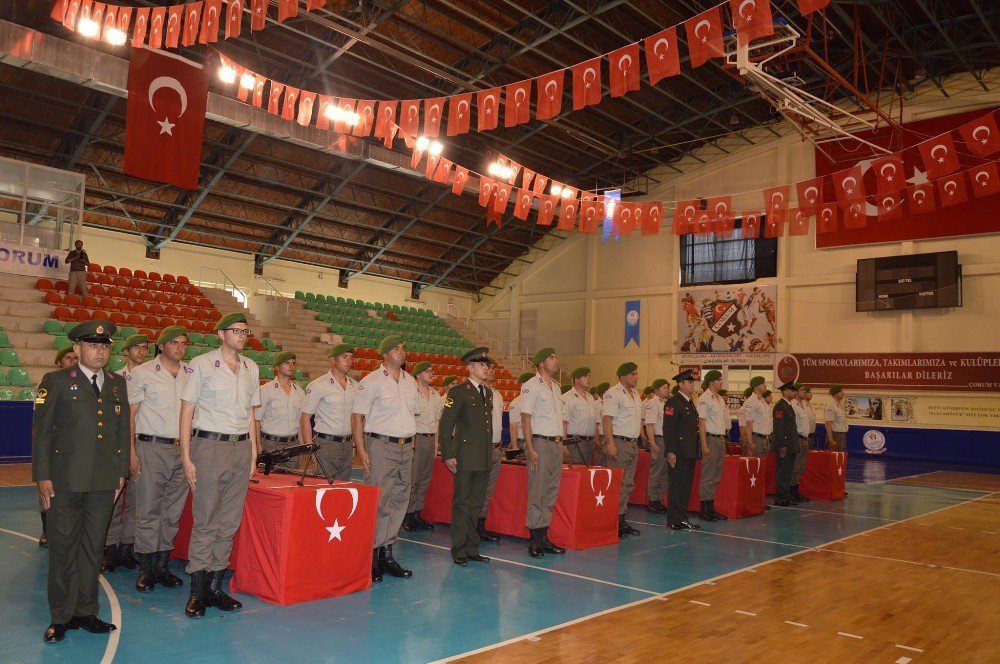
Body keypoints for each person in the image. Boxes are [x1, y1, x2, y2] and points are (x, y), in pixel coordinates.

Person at [32, 320, 129, 643]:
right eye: (92, 345)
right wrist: (42, 476)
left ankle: (86, 611)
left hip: (103, 481)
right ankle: (60, 616)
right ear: (77, 349)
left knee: (92, 548)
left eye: (104, 346)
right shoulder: (57, 381)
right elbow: (42, 434)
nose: (99, 351)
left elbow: (121, 431)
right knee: (63, 547)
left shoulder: (117, 384)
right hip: (65, 480)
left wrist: (121, 472)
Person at [178, 312, 261, 617]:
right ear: (221, 334)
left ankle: (215, 587)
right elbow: (186, 412)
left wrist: (253, 453)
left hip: (240, 448)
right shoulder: (200, 365)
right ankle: (197, 591)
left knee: (229, 520)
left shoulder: (252, 367)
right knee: (206, 519)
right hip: (209, 447)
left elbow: (252, 415)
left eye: (245, 331)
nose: (242, 335)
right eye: (236, 331)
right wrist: (186, 457)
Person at [128, 326, 190, 593]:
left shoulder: (191, 374)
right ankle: (146, 569)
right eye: (174, 343)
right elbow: (129, 416)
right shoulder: (142, 374)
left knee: (172, 512)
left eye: (184, 343)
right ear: (161, 346)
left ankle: (162, 567)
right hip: (151, 448)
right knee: (148, 509)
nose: (179, 347)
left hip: (183, 449)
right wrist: (131, 451)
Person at [352, 335, 417, 582]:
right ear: (385, 354)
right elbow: (357, 417)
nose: (402, 352)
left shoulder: (410, 382)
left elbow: (412, 418)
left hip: (405, 447)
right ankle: (370, 555)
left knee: (399, 500)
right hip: (381, 445)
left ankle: (386, 553)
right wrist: (362, 450)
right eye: (397, 349)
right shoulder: (371, 382)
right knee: (378, 501)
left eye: (403, 348)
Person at [438, 348, 494, 565]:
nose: (486, 368)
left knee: (476, 504)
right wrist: (447, 453)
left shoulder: (487, 393)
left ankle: (472, 547)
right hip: (465, 456)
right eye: (481, 365)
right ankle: (459, 548)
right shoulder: (459, 391)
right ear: (470, 367)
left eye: (486, 365)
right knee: (462, 503)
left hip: (483, 456)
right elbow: (446, 424)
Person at [103, 333, 149, 574]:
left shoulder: (151, 375)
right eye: (136, 348)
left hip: (143, 441)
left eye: (145, 348)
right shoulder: (115, 378)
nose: (141, 352)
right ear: (126, 351)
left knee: (137, 500)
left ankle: (126, 547)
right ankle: (109, 547)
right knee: (115, 497)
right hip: (118, 444)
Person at [520, 348, 566, 558]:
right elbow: (526, 418)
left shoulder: (556, 388)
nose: (556, 361)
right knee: (537, 491)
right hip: (540, 442)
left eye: (556, 357)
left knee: (550, 491)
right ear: (540, 363)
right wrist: (530, 448)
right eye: (552, 358)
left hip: (555, 444)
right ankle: (534, 540)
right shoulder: (530, 386)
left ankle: (544, 536)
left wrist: (562, 443)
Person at [38, 348, 81, 548]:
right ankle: (47, 531)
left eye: (75, 358)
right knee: (48, 493)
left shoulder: (83, 385)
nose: (73, 361)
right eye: (68, 358)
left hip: (75, 450)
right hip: (54, 449)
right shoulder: (49, 382)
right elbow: (41, 422)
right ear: (58, 362)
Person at [301, 344, 359, 482]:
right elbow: (305, 418)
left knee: (343, 489)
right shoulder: (318, 385)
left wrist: (355, 444)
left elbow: (356, 419)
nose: (349, 361)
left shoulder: (355, 386)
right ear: (333, 360)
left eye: (351, 358)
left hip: (347, 445)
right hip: (326, 445)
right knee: (323, 487)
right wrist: (310, 449)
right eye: (344, 357)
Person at [603, 362, 643, 538]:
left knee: (627, 484)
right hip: (619, 442)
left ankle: (621, 519)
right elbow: (607, 420)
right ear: (624, 376)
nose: (636, 377)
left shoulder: (635, 394)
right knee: (617, 484)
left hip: (633, 443)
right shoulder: (613, 394)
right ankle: (611, 520)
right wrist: (610, 444)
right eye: (633, 374)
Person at [403, 360, 443, 532]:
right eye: (428, 371)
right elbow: (409, 418)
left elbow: (437, 422)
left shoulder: (435, 395)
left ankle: (418, 513)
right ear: (418, 374)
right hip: (416, 439)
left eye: (432, 371)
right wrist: (411, 443)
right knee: (413, 479)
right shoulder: (412, 392)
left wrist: (436, 444)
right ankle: (407, 515)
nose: (432, 373)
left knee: (425, 479)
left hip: (429, 438)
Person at [663, 370, 701, 531]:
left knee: (685, 486)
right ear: (681, 384)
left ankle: (682, 518)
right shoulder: (673, 402)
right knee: (677, 486)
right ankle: (673, 519)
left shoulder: (689, 402)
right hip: (679, 452)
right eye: (689, 382)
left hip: (689, 452)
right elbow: (669, 428)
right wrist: (670, 451)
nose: (692, 384)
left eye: (693, 382)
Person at [254, 351, 305, 472]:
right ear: (277, 367)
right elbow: (256, 421)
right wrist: (258, 445)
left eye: (293, 363)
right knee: (270, 481)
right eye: (287, 363)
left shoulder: (299, 392)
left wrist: (302, 446)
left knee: (291, 482)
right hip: (272, 444)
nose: (291, 366)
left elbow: (300, 423)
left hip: (293, 444)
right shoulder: (265, 390)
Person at [696, 370, 729, 522]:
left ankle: (711, 506)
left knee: (716, 474)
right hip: (710, 439)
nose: (721, 382)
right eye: (719, 379)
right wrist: (704, 444)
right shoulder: (704, 399)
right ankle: (704, 509)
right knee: (708, 474)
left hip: (720, 439)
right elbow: (701, 423)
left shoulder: (719, 399)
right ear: (711, 382)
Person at [478, 365, 504, 543]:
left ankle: (480, 525)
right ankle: (472, 526)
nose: (493, 372)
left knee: (488, 490)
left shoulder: (498, 394)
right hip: (482, 447)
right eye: (489, 368)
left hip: (496, 447)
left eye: (494, 368)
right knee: (477, 489)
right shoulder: (477, 393)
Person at [562, 367, 599, 466]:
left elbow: (594, 423)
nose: (589, 378)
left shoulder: (590, 397)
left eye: (589, 376)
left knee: (585, 475)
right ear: (576, 379)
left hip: (589, 443)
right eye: (585, 376)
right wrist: (564, 446)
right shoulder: (567, 397)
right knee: (575, 471)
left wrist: (596, 441)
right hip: (574, 443)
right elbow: (563, 423)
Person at [772, 381, 799, 507]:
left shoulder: (788, 406)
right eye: (792, 390)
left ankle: (786, 495)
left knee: (788, 472)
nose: (794, 393)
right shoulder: (780, 406)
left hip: (791, 444)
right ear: (785, 391)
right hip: (785, 445)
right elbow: (778, 427)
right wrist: (782, 445)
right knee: (783, 472)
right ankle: (781, 498)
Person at [789, 385, 811, 504]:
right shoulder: (793, 405)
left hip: (804, 439)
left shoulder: (805, 406)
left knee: (801, 466)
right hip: (797, 438)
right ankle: (792, 491)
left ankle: (796, 491)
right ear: (796, 392)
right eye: (802, 390)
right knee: (795, 465)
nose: (804, 392)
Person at [743, 376, 771, 459]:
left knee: (763, 467)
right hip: (757, 439)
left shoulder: (762, 401)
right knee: (756, 468)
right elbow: (748, 423)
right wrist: (750, 443)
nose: (766, 385)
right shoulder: (752, 401)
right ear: (756, 386)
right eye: (763, 383)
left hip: (765, 439)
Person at [506, 372, 534, 450]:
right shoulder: (516, 403)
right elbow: (513, 427)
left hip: (535, 440)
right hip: (522, 442)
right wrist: (515, 447)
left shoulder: (535, 401)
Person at [825, 385, 849, 451]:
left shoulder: (839, 405)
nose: (843, 393)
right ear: (836, 394)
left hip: (841, 435)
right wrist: (831, 440)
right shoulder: (831, 406)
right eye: (841, 391)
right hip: (835, 435)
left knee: (840, 457)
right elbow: (828, 424)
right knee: (835, 457)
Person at [737, 387, 753, 456]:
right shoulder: (743, 409)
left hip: (752, 438)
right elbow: (742, 428)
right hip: (747, 439)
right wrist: (747, 443)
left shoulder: (752, 407)